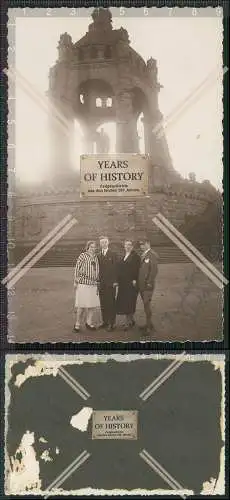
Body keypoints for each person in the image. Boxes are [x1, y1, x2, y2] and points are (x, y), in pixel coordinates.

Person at [73, 241, 100, 332]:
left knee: (92, 305)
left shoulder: (96, 257)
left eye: (94, 247)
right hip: (83, 283)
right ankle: (77, 324)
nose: (93, 248)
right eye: (91, 247)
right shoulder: (82, 256)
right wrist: (75, 282)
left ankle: (89, 323)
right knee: (82, 305)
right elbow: (77, 269)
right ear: (87, 247)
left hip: (93, 284)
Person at [116, 240, 141, 330]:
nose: (128, 246)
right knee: (125, 302)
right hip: (123, 284)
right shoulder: (123, 256)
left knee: (129, 302)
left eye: (130, 245)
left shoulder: (136, 257)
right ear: (124, 246)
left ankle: (128, 323)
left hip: (131, 283)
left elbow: (137, 269)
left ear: (132, 246)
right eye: (126, 244)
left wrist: (134, 279)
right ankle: (131, 320)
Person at [138, 239, 158, 335]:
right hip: (142, 284)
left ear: (148, 244)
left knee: (147, 305)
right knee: (146, 305)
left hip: (147, 285)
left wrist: (149, 282)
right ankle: (149, 324)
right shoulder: (144, 254)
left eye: (144, 244)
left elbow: (154, 270)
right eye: (141, 245)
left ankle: (149, 328)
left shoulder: (152, 254)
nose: (142, 246)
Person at [98, 236, 118, 331]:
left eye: (105, 242)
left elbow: (116, 269)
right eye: (102, 242)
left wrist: (115, 281)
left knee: (111, 303)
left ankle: (112, 323)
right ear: (100, 244)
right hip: (101, 284)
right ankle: (105, 322)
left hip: (111, 283)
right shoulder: (98, 255)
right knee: (103, 303)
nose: (103, 244)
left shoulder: (113, 254)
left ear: (108, 243)